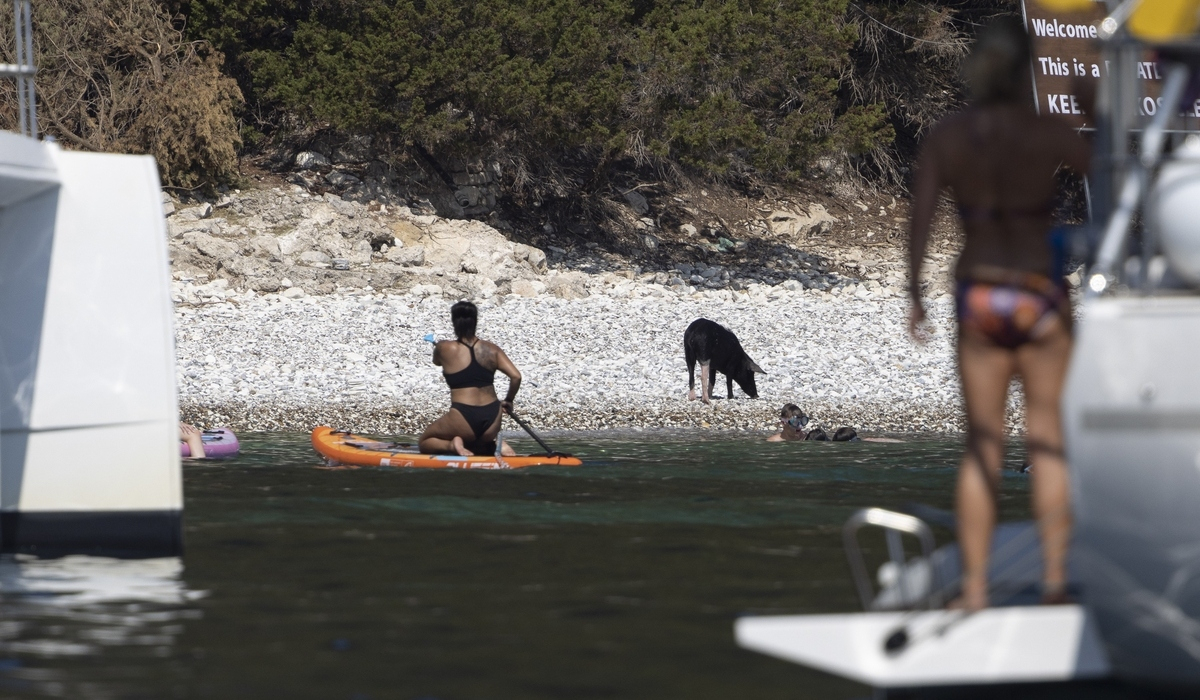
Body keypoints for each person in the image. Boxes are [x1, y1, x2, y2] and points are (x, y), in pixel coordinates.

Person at [907, 18, 1089, 609]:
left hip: (980, 294)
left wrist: (914, 294)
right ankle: (1057, 584)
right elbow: (1107, 176)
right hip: (1038, 290)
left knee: (984, 447)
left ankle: (977, 589)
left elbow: (922, 220)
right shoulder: (1046, 130)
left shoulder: (949, 135)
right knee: (1047, 443)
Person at [420, 301, 520, 457]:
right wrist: (509, 400)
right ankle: (492, 446)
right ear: (475, 321)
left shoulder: (444, 348)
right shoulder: (491, 349)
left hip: (463, 415)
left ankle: (452, 445)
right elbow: (516, 376)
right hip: (493, 416)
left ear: (454, 322)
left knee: (426, 441)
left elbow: (436, 361)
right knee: (476, 445)